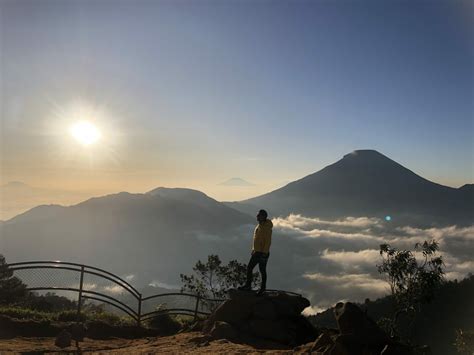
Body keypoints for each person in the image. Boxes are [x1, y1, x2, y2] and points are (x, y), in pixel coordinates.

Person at [238, 209, 273, 295]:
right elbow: (257, 239)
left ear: (263, 217)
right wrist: (254, 249)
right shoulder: (259, 226)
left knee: (260, 270)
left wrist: (264, 253)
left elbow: (268, 241)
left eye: (259, 215)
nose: (257, 217)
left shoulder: (266, 227)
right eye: (257, 215)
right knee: (253, 268)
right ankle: (251, 286)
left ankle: (259, 288)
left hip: (262, 253)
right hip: (257, 252)